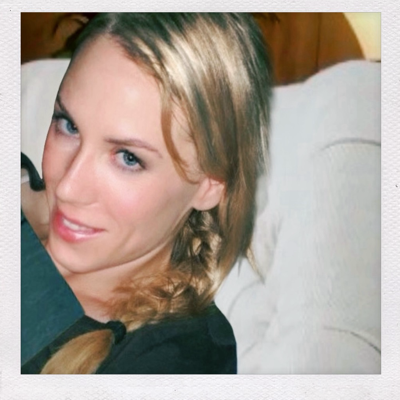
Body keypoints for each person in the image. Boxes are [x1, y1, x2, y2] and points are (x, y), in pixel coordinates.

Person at [21, 12, 272, 374]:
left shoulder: (179, 358)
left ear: (210, 184)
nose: (68, 186)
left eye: (128, 158)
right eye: (68, 125)